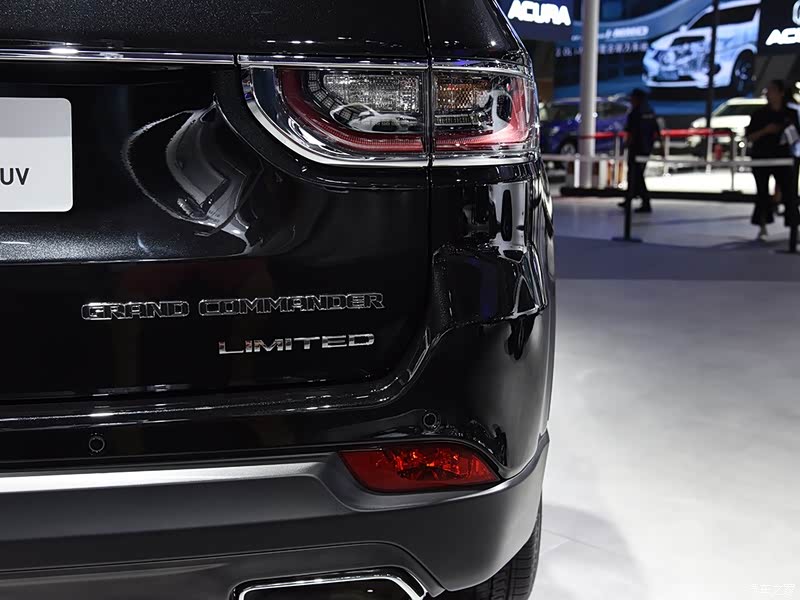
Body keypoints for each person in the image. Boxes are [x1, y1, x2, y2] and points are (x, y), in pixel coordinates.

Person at [745, 80, 800, 241]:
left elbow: (796, 134)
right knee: (762, 192)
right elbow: (750, 136)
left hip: (783, 157)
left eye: (772, 90)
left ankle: (793, 227)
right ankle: (762, 225)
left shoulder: (790, 113)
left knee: (789, 193)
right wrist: (765, 131)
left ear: (781, 93)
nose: (769, 94)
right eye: (767, 91)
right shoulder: (759, 114)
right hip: (761, 156)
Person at [619, 88, 661, 214]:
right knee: (637, 174)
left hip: (636, 148)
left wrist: (624, 146)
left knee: (635, 175)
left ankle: (644, 201)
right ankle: (630, 198)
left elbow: (631, 132)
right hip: (646, 148)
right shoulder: (650, 111)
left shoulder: (635, 113)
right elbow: (656, 130)